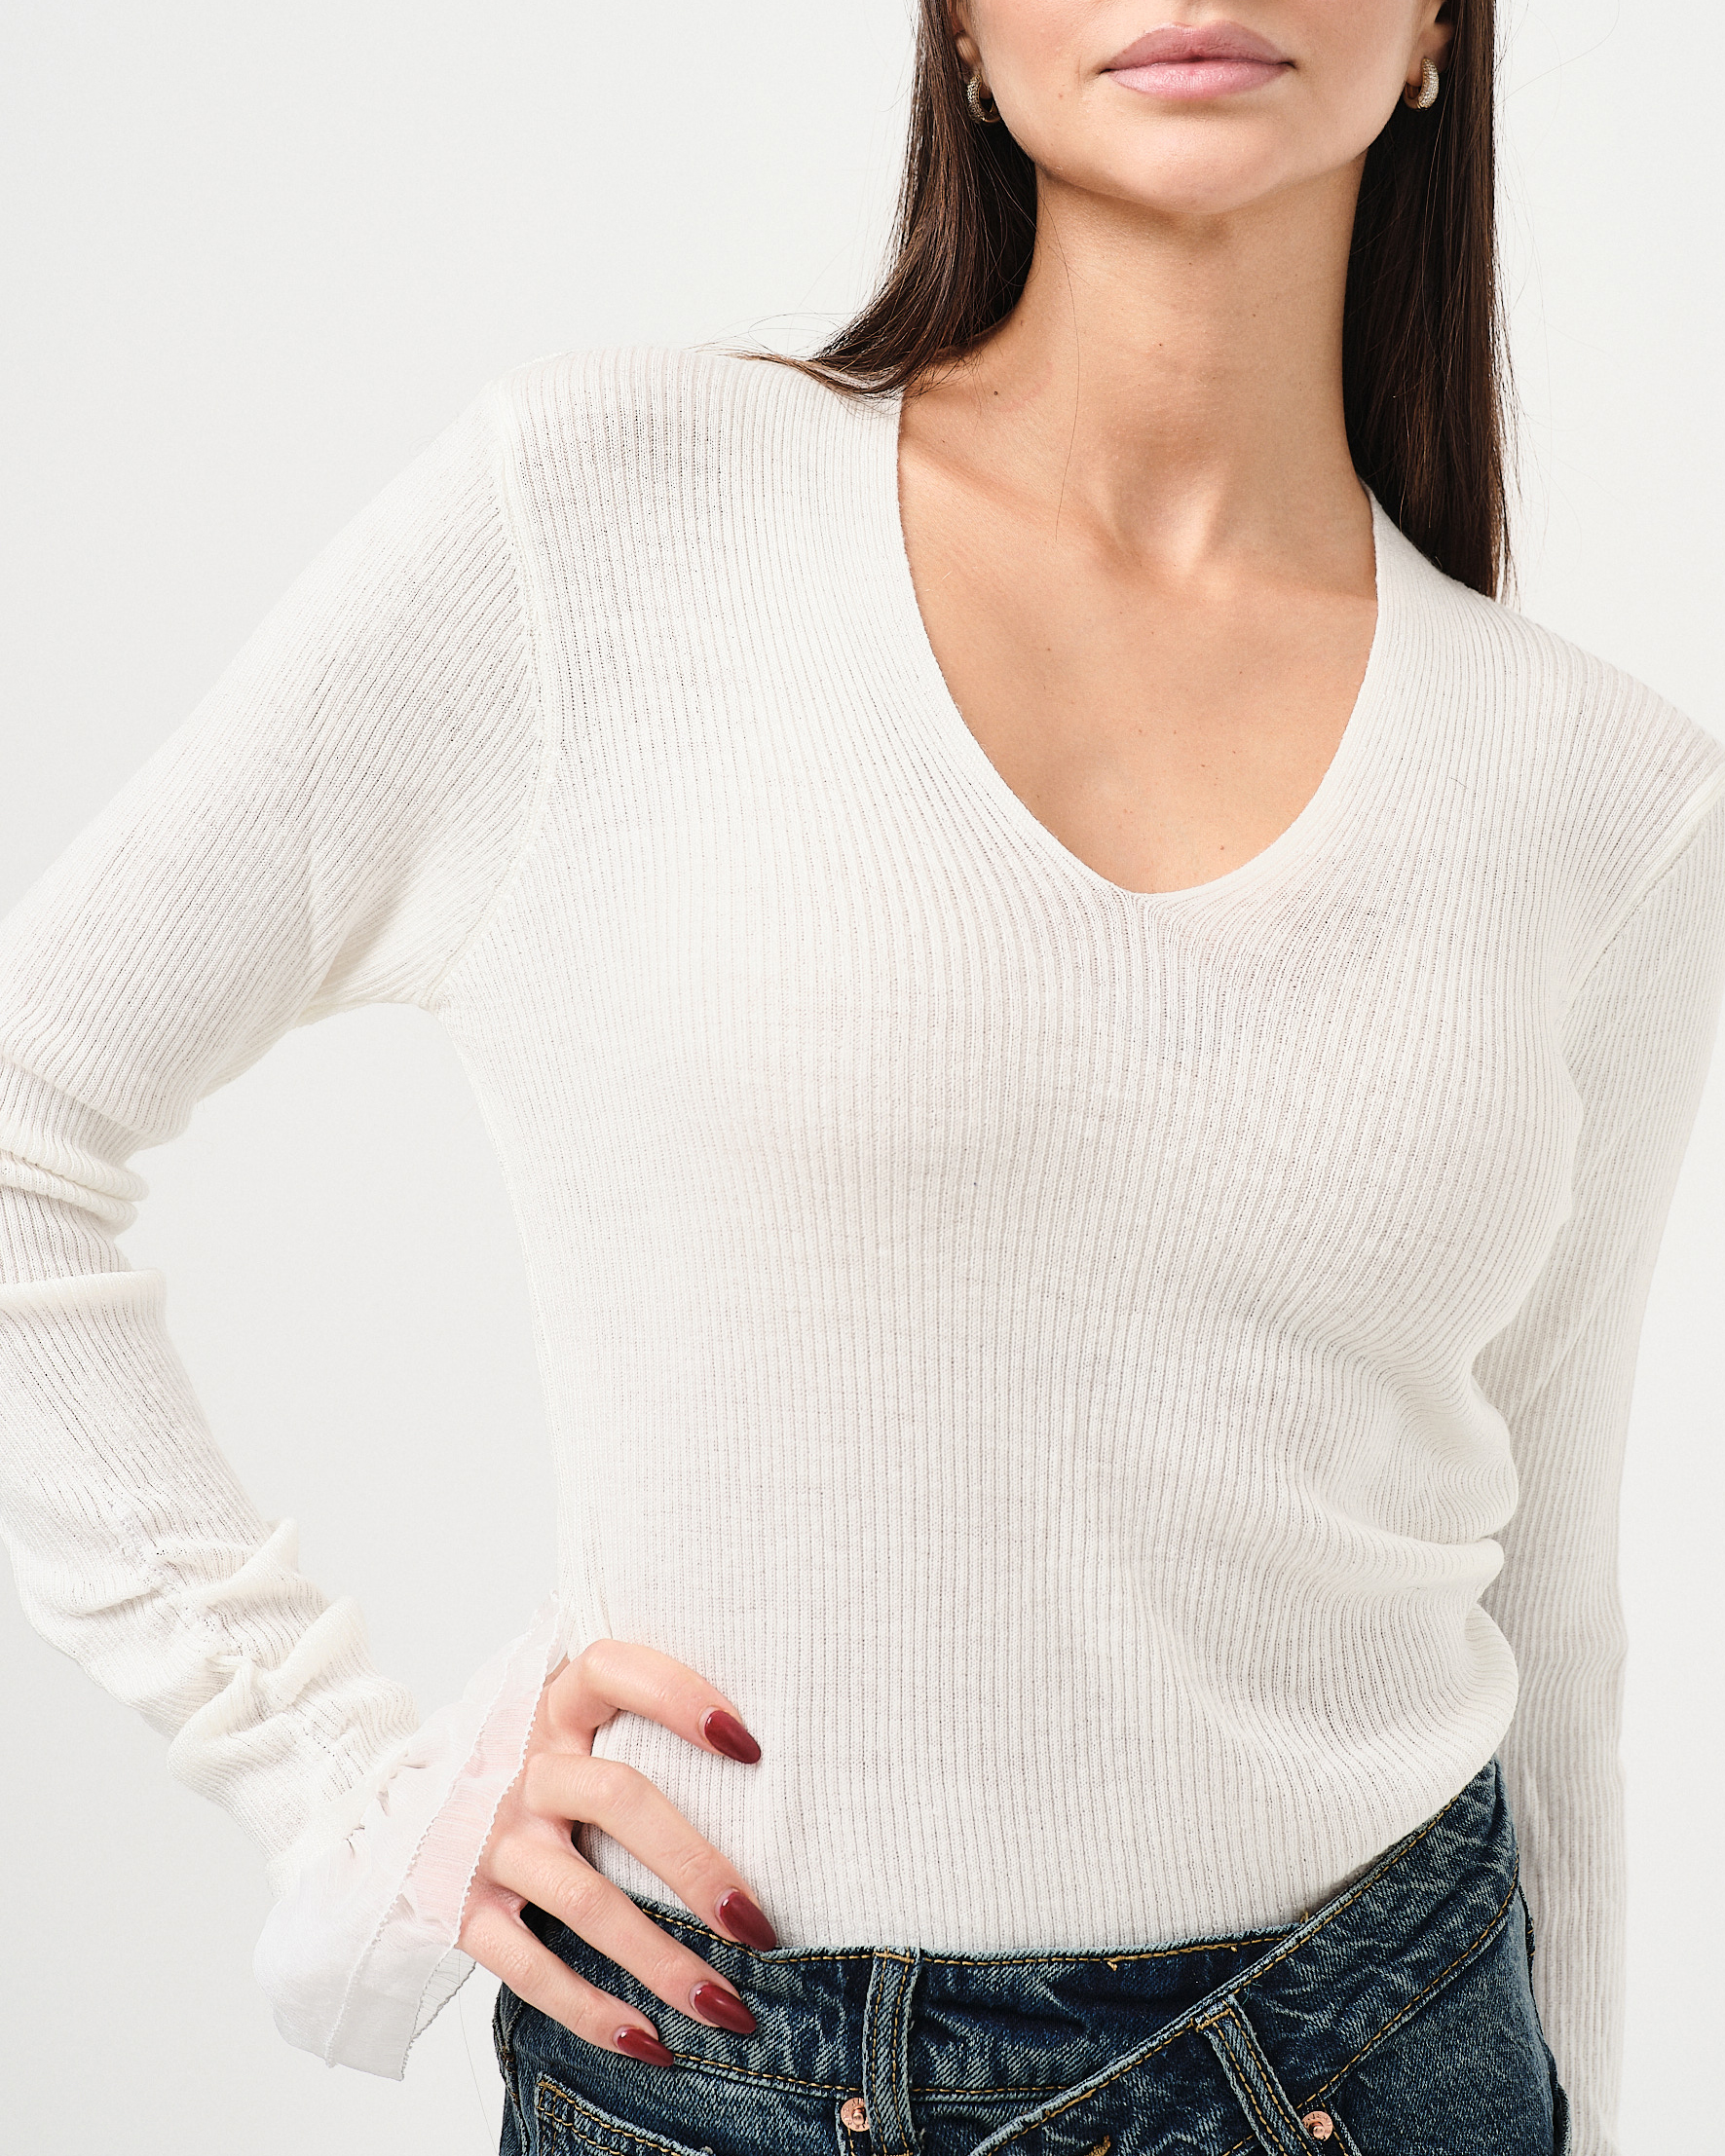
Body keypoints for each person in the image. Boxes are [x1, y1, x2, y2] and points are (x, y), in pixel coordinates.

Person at [0, 5, 1716, 2152]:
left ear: (1441, 27)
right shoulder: (608, 526)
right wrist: (349, 1783)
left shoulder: (1604, 798)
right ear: (963, 30)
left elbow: (1545, 1617)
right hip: (715, 2068)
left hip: (1379, 2059)